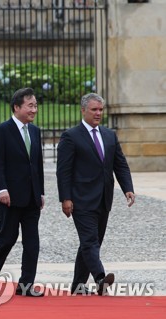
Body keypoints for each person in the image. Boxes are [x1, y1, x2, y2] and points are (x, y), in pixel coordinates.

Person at [56, 92, 135, 296]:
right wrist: (65, 198)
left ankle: (77, 286)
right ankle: (100, 278)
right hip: (80, 199)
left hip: (103, 199)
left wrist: (128, 188)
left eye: (100, 109)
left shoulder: (109, 135)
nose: (98, 113)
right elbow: (63, 170)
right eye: (94, 109)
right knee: (90, 240)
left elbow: (120, 164)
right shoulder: (71, 136)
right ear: (83, 111)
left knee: (91, 243)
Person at [0, 87, 45, 297]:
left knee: (32, 243)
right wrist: (2, 189)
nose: (34, 110)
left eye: (35, 105)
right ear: (17, 107)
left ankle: (26, 285)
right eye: (30, 105)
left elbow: (37, 165)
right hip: (9, 197)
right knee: (6, 239)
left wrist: (41, 192)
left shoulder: (35, 131)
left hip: (32, 197)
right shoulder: (2, 130)